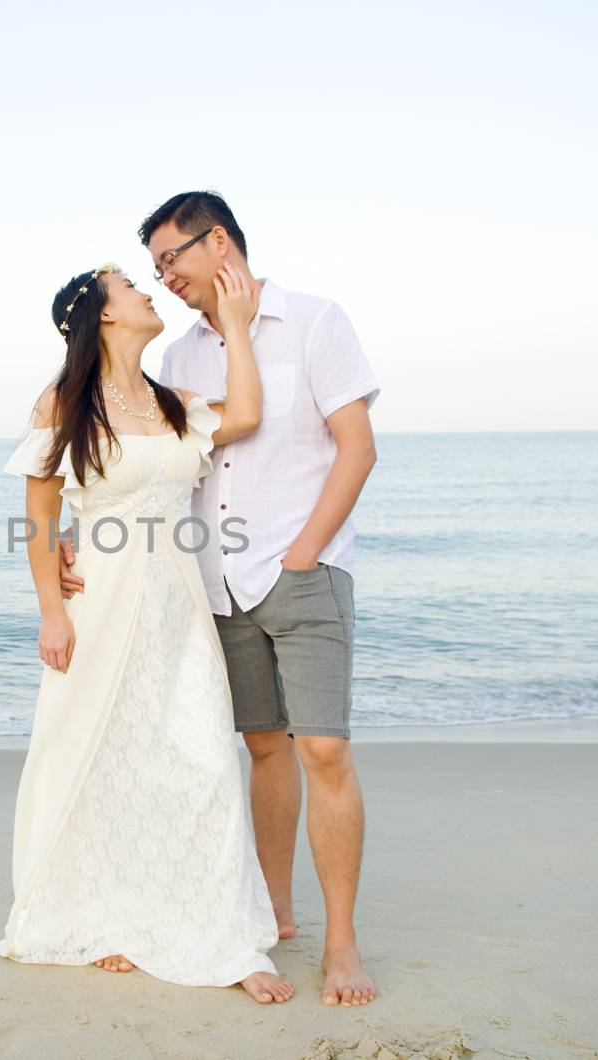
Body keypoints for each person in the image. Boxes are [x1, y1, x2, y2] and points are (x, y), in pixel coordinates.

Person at [58, 191, 381, 1006]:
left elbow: (357, 446)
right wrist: (78, 529)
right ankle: (276, 914)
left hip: (301, 571)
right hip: (214, 584)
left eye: (173, 258)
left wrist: (306, 552)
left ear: (221, 242)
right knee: (263, 747)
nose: (163, 278)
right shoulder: (179, 358)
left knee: (325, 751)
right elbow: (152, 461)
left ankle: (342, 943)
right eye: (155, 267)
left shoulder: (315, 320)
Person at [0, 258, 293, 1004]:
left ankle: (229, 938)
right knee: (99, 759)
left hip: (178, 605)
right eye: (130, 285)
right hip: (100, 602)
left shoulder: (172, 402)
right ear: (102, 314)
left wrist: (234, 327)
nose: (146, 290)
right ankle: (106, 916)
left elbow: (247, 414)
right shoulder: (62, 403)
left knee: (201, 759)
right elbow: (39, 517)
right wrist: (51, 611)